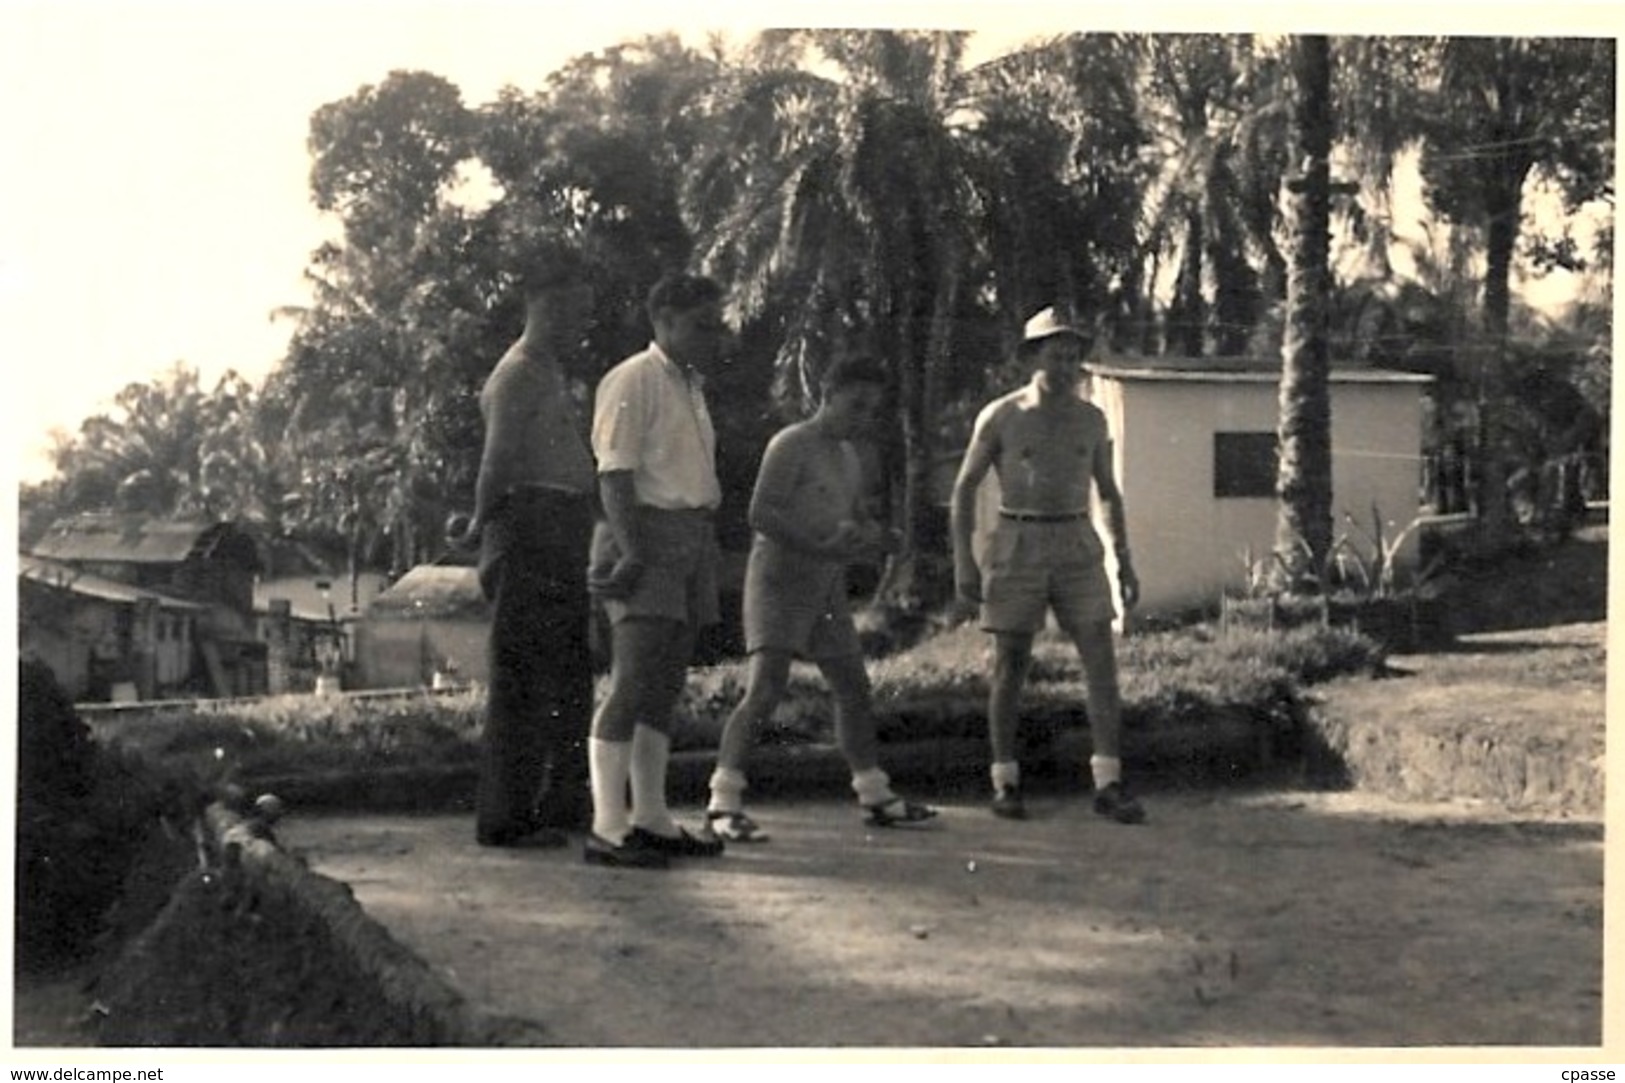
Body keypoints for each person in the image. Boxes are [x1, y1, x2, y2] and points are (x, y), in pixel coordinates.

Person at [703, 355, 938, 842]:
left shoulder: (850, 455)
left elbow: (852, 519)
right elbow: (760, 513)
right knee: (766, 688)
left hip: (824, 585)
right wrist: (818, 545)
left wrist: (880, 537)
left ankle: (875, 795)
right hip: (778, 581)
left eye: (871, 410)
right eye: (855, 406)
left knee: (852, 685)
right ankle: (722, 803)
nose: (862, 418)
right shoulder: (790, 444)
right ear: (826, 397)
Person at [949, 306, 1146, 825]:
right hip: (1018, 538)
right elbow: (965, 488)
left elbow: (1108, 492)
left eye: (1072, 354)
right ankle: (1005, 781)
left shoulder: (1091, 418)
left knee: (1100, 659)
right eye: (1054, 353)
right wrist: (963, 562)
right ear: (1033, 356)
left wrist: (1123, 561)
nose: (1064, 364)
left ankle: (1108, 782)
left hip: (1077, 540)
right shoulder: (1002, 415)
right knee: (1011, 663)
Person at [582, 273, 732, 869]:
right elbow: (614, 475)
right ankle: (608, 825)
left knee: (665, 686)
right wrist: (633, 551)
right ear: (663, 319)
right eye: (700, 325)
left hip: (689, 538)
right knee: (633, 681)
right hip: (642, 534)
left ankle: (650, 816)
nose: (711, 337)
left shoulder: (691, 386)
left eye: (716, 326)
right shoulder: (633, 379)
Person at [456, 243, 598, 848]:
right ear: (541, 303)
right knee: (521, 679)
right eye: (570, 309)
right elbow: (499, 463)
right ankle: (505, 819)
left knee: (568, 675)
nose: (579, 322)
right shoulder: (515, 372)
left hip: (563, 525)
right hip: (527, 524)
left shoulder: (551, 371)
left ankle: (560, 806)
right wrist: (479, 525)